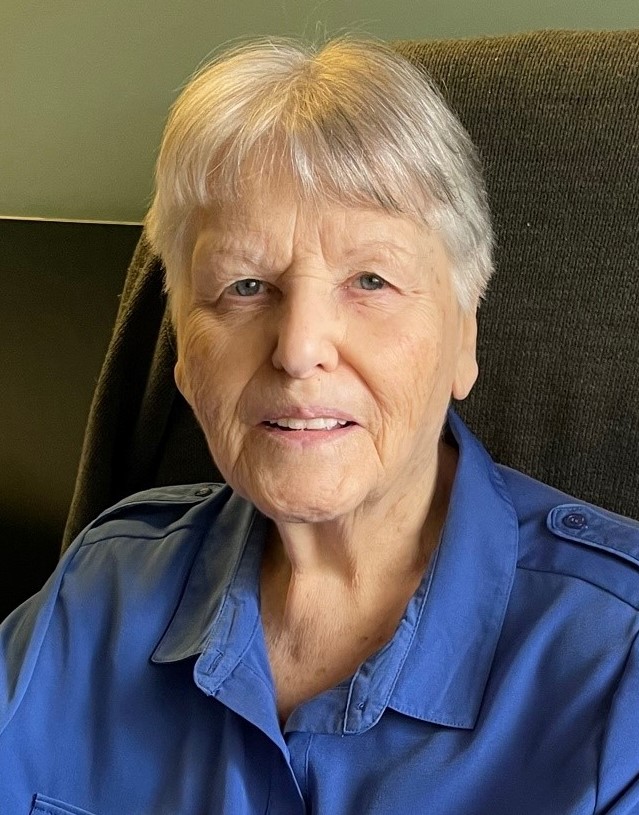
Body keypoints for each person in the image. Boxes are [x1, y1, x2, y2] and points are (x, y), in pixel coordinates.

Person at [1, 37, 638, 815]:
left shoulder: (619, 667)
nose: (298, 348)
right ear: (184, 357)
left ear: (462, 337)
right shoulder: (98, 591)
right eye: (243, 285)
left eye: (370, 279)